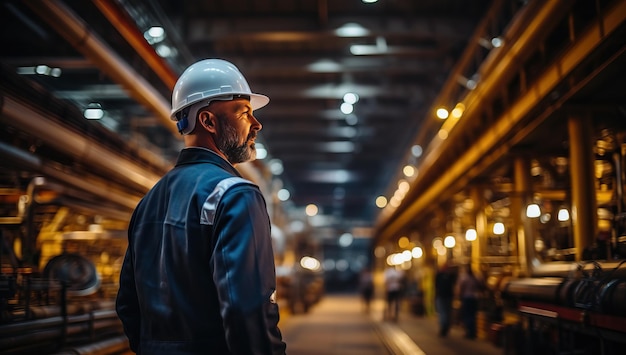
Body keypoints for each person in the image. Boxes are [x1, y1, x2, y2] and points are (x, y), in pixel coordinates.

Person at [116, 59, 287, 354]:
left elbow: (128, 305)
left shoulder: (149, 202)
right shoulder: (236, 196)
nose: (257, 124)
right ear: (208, 121)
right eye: (244, 113)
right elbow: (247, 312)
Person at [456, 265, 483, 339]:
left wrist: (459, 296)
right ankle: (473, 331)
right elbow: (481, 285)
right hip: (474, 298)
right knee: (473, 315)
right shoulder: (476, 277)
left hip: (466, 298)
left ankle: (469, 331)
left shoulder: (464, 277)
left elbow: (460, 287)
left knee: (467, 315)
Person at [434, 262, 455, 337]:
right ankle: (446, 328)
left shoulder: (439, 275)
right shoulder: (451, 275)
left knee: (442, 312)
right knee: (447, 312)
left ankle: (444, 327)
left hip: (441, 296)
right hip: (449, 296)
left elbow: (436, 286)